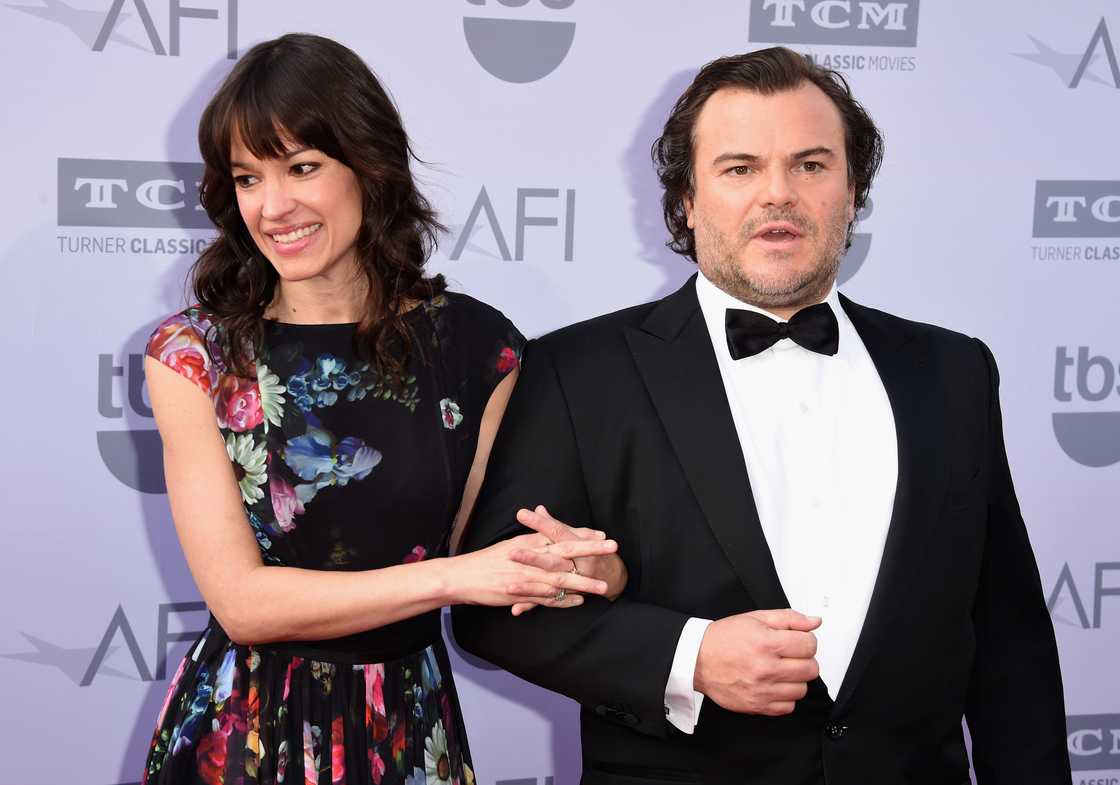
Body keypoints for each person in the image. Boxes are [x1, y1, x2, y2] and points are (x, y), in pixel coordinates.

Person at [453, 47, 1071, 784]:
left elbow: (1007, 635)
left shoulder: (953, 370)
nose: (778, 194)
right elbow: (490, 612)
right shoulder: (577, 371)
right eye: (740, 168)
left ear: (853, 191)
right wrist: (688, 657)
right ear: (686, 199)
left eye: (810, 165)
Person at [141, 33, 627, 785]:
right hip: (247, 735)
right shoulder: (195, 356)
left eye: (303, 167)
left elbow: (490, 548)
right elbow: (244, 604)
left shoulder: (476, 345)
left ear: (369, 166)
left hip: (408, 724)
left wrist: (586, 569)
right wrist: (454, 577)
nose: (273, 206)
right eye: (247, 178)